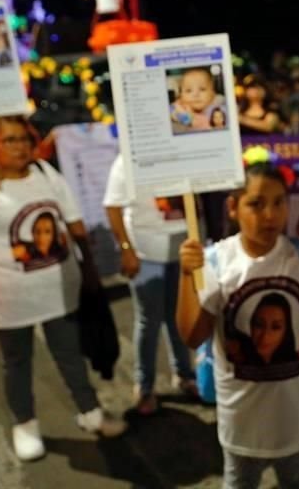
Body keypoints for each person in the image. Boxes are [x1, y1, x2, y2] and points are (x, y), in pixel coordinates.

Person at [176, 160, 299, 489]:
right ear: (233, 208)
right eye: (256, 204)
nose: (270, 214)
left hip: (294, 417)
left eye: (279, 202)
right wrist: (185, 275)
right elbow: (193, 335)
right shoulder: (218, 261)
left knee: (295, 481)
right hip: (241, 419)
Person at [0, 116, 126, 462]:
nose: (20, 147)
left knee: (70, 353)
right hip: (6, 295)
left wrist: (89, 269)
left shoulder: (46, 173)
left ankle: (90, 411)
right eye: (10, 140)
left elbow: (74, 221)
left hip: (57, 289)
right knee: (17, 361)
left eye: (24, 140)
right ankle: (25, 424)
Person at [103, 154, 198, 416]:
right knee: (149, 321)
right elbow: (112, 207)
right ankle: (144, 386)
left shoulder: (184, 150)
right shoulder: (126, 160)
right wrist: (126, 250)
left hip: (183, 252)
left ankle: (184, 374)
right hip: (146, 255)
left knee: (178, 317)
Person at [170, 67, 224, 134]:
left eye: (202, 89)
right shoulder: (178, 108)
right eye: (188, 91)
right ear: (181, 96)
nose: (196, 95)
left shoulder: (217, 106)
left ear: (212, 94)